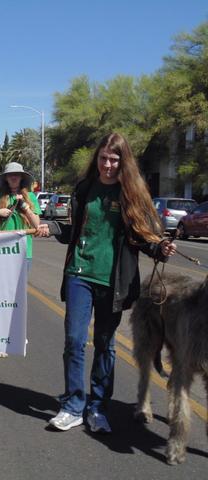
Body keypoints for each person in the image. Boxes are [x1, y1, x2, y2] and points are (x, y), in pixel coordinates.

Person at [47, 133, 176, 434]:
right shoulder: (84, 189)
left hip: (113, 281)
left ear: (123, 161)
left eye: (114, 159)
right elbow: (75, 230)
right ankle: (73, 405)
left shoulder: (131, 193)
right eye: (103, 158)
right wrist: (51, 227)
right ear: (97, 158)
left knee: (105, 344)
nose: (107, 164)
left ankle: (97, 407)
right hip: (80, 273)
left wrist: (160, 248)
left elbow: (144, 236)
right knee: (74, 341)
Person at [0, 162, 48, 273]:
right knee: (3, 285)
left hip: (24, 251)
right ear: (6, 178)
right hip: (4, 249)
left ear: (21, 177)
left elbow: (36, 225)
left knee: (20, 288)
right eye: (10, 175)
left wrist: (25, 206)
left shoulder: (30, 196)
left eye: (17, 175)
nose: (13, 177)